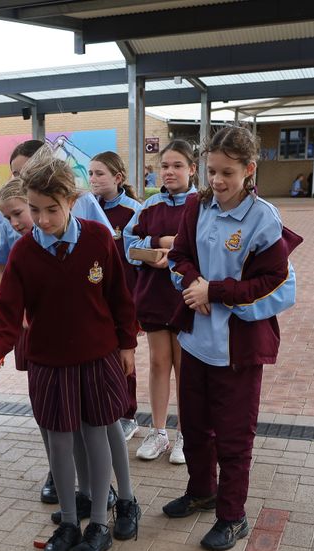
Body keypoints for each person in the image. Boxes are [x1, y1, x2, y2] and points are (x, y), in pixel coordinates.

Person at [0, 149, 138, 551]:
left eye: (51, 209)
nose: (42, 219)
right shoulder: (24, 253)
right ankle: (68, 522)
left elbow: (119, 297)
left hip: (97, 358)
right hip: (48, 362)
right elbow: (6, 316)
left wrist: (127, 344)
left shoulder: (98, 239)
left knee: (97, 434)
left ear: (71, 201)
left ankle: (98, 523)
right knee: (59, 443)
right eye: (34, 209)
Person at [165, 125, 300, 551]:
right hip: (196, 343)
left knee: (233, 438)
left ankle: (232, 516)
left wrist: (215, 291)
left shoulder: (263, 218)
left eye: (227, 173)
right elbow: (180, 256)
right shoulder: (197, 206)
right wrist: (194, 283)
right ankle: (201, 492)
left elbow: (273, 279)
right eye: (212, 171)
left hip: (237, 352)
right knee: (193, 427)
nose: (217, 181)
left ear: (249, 170)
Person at [0, 137, 114, 506]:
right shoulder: (20, 237)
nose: (39, 219)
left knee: (93, 422)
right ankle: (62, 479)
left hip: (89, 344)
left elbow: (110, 281)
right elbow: (1, 286)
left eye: (28, 172)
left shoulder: (90, 225)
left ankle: (100, 492)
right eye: (17, 175)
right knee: (52, 414)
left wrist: (122, 341)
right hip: (40, 337)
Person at [123, 139, 198, 466]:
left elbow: (204, 246)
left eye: (177, 165)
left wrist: (176, 252)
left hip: (186, 299)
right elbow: (129, 245)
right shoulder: (149, 206)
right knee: (157, 363)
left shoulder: (201, 204)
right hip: (153, 296)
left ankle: (185, 434)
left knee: (184, 368)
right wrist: (158, 244)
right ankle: (158, 432)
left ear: (192, 169)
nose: (169, 172)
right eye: (164, 166)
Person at [88, 150, 143, 441]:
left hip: (125, 297)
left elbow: (140, 256)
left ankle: (128, 414)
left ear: (117, 177)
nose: (93, 179)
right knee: (99, 355)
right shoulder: (87, 206)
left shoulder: (135, 211)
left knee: (124, 355)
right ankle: (103, 410)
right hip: (95, 295)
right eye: (90, 173)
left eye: (99, 173)